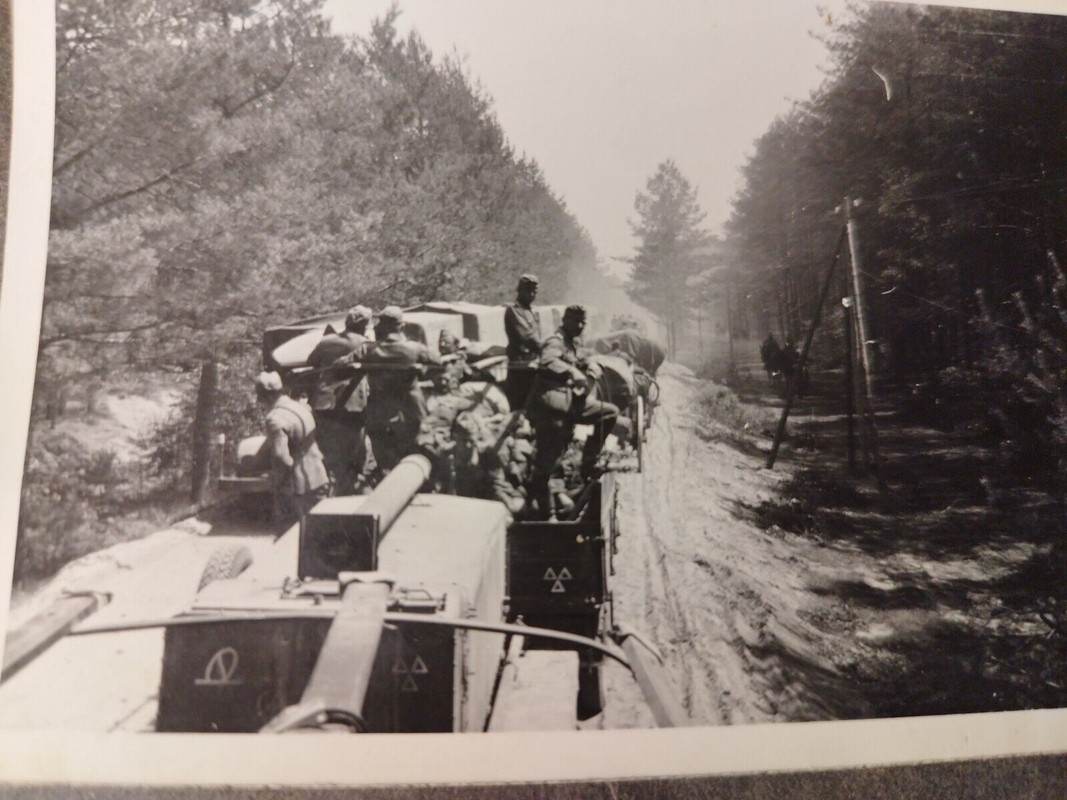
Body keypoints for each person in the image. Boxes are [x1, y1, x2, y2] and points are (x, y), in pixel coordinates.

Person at [526, 305, 618, 519]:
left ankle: (588, 462)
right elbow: (548, 360)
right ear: (565, 320)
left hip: (570, 403)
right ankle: (548, 514)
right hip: (551, 406)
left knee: (609, 413)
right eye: (575, 321)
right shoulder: (555, 340)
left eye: (582, 322)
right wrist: (572, 370)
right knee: (548, 462)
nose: (579, 326)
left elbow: (572, 359)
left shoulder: (570, 343)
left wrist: (587, 363)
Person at [361, 306, 441, 477]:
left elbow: (344, 362)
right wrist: (421, 370)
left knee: (384, 457)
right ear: (402, 327)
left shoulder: (368, 350)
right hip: (410, 409)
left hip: (380, 410)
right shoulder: (415, 349)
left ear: (380, 326)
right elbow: (438, 363)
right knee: (416, 450)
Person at [307, 305, 374, 495]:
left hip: (323, 404)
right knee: (354, 453)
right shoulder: (365, 344)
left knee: (327, 452)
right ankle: (350, 491)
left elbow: (310, 362)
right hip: (352, 406)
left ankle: (327, 490)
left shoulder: (326, 341)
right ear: (364, 325)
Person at [255, 371, 330, 532]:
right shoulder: (301, 407)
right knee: (316, 534)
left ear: (265, 397)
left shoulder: (275, 418)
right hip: (318, 477)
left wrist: (277, 480)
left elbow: (281, 457)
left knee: (288, 535)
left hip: (297, 487)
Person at [504, 274, 541, 410]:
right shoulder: (514, 311)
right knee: (518, 406)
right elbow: (528, 337)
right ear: (519, 290)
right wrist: (545, 349)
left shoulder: (531, 312)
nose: (531, 295)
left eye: (534, 292)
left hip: (532, 366)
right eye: (528, 291)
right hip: (519, 368)